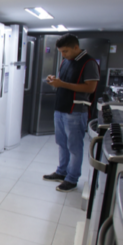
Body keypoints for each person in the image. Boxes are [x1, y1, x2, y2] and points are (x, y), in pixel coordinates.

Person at [43, 33, 99, 192]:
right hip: (61, 107)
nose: (63, 55)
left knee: (74, 146)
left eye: (65, 51)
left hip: (76, 110)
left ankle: (72, 178)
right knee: (61, 143)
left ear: (76, 47)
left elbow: (90, 88)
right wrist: (54, 80)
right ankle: (62, 172)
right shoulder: (66, 61)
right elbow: (65, 82)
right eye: (61, 52)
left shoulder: (89, 62)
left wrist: (62, 84)